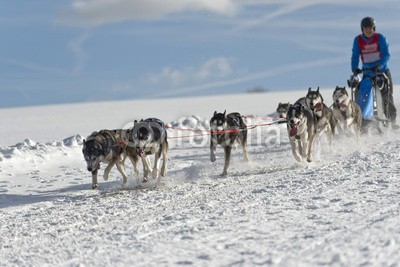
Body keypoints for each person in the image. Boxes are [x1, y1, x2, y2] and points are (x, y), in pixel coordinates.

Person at [351, 16, 397, 129]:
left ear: (374, 28)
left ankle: (391, 121)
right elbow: (355, 56)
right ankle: (364, 118)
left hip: (382, 72)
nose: (368, 30)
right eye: (366, 28)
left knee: (387, 94)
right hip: (367, 73)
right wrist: (355, 69)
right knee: (362, 90)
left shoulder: (380, 38)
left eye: (370, 28)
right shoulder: (358, 40)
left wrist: (380, 66)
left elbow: (386, 55)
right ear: (362, 29)